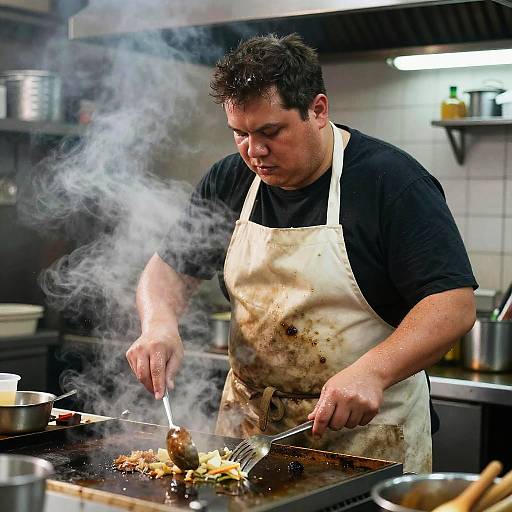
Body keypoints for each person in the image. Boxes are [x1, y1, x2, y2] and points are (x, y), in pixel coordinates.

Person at [126, 33, 477, 473]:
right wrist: (158, 324)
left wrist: (374, 371)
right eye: (240, 134)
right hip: (247, 437)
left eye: (271, 132)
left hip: (366, 439)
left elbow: (453, 305)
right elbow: (168, 271)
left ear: (318, 110)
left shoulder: (391, 183)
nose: (254, 151)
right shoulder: (228, 180)